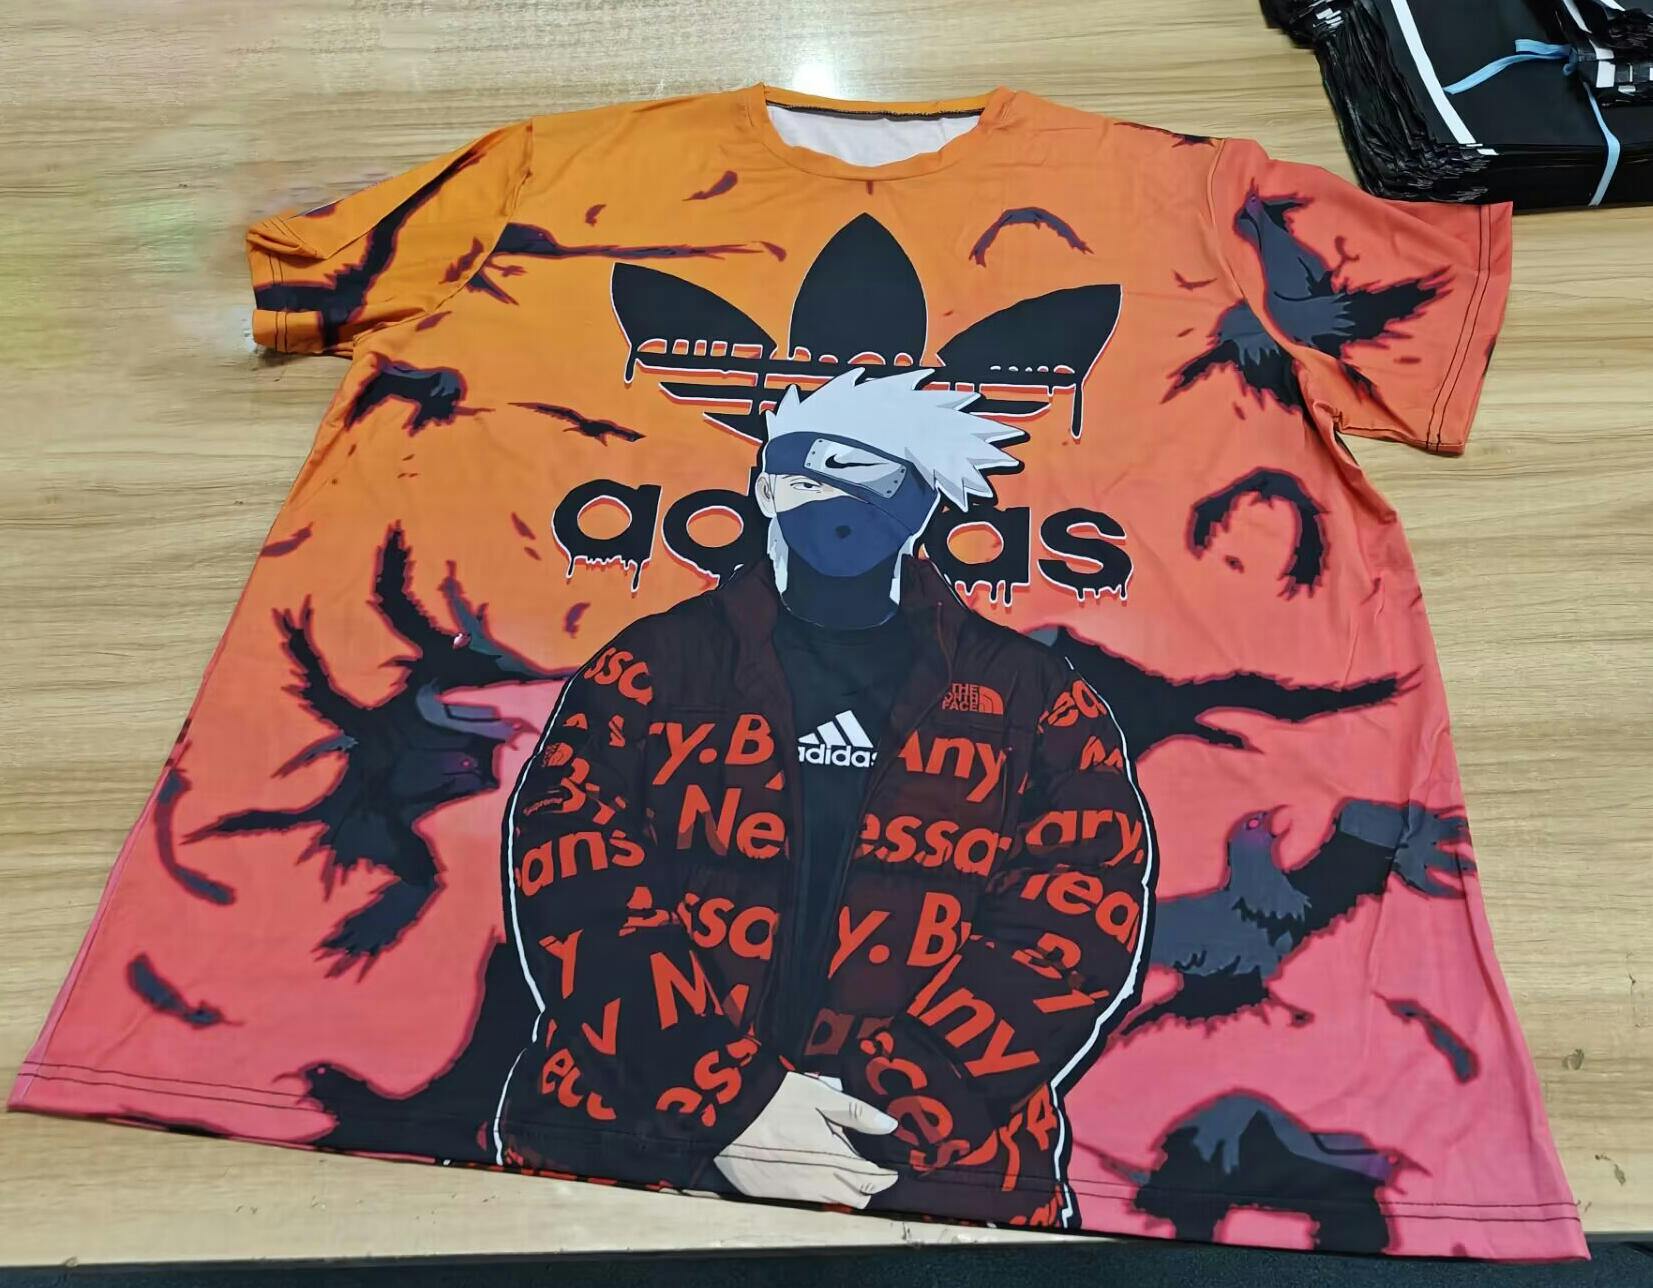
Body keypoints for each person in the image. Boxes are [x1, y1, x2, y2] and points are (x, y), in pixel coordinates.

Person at [493, 368, 1155, 1227]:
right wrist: (728, 1100)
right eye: (799, 478)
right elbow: (574, 872)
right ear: (766, 492)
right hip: (617, 1158)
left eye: (860, 477)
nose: (826, 503)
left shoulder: (1031, 695)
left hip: (934, 1190)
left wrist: (880, 1111)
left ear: (922, 498)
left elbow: (1075, 916)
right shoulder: (657, 661)